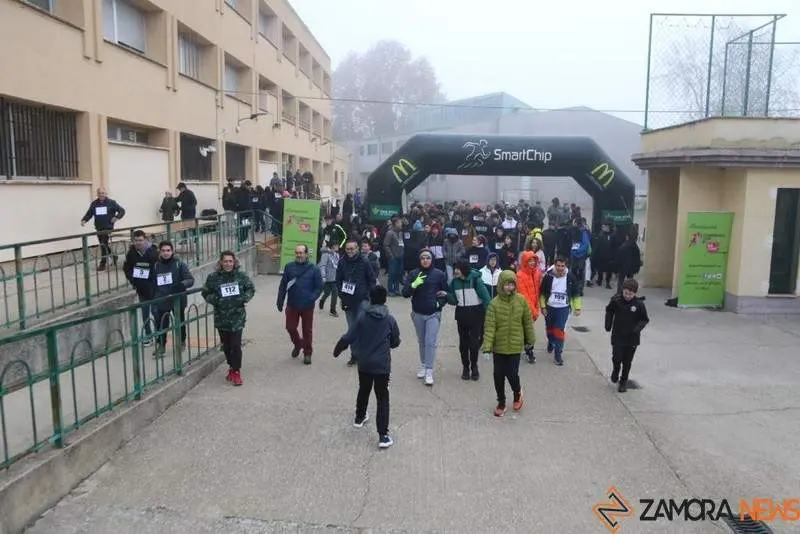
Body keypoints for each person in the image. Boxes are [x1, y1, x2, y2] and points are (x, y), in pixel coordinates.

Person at [333, 285, 400, 449]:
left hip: (365, 363)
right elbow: (395, 342)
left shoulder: (362, 318)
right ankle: (383, 435)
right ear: (385, 299)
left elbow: (349, 336)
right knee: (382, 397)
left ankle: (359, 417)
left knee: (363, 389)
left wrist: (338, 350)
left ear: (370, 299)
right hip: (382, 365)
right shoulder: (389, 319)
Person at [482, 270, 535, 418]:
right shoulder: (494, 304)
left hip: (515, 345)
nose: (509, 287)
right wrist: (487, 347)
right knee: (498, 375)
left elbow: (527, 322)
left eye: (512, 284)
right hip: (499, 347)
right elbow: (490, 327)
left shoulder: (521, 301)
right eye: (506, 284)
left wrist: (530, 340)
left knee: (512, 374)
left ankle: (517, 393)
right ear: (500, 285)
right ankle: (501, 402)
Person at [201, 251, 256, 386]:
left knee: (235, 345)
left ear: (234, 262)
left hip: (237, 317)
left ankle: (236, 371)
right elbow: (205, 293)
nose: (228, 264)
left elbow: (250, 289)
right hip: (221, 317)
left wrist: (244, 298)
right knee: (226, 346)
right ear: (221, 262)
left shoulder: (241, 276)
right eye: (225, 261)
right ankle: (231, 366)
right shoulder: (213, 277)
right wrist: (216, 299)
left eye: (230, 261)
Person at [402, 249, 448, 386]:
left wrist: (439, 303)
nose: (425, 260)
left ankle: (429, 370)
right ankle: (423, 365)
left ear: (432, 259)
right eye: (422, 258)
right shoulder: (414, 273)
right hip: (418, 313)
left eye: (428, 258)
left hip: (433, 313)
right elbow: (405, 293)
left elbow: (446, 293)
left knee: (430, 342)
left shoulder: (439, 274)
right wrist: (413, 285)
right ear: (419, 260)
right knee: (422, 341)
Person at [277, 245, 323, 365]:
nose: (299, 255)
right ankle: (298, 344)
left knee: (307, 330)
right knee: (290, 328)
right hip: (292, 304)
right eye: (297, 253)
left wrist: (312, 298)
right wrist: (280, 300)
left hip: (307, 306)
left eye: (301, 253)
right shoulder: (289, 267)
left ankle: (307, 353)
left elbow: (319, 287)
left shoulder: (314, 269)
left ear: (306, 254)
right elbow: (283, 285)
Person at [446, 260, 491, 381]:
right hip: (462, 315)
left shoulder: (476, 280)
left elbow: (486, 298)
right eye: (455, 268)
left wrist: (490, 314)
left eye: (458, 268)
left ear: (464, 269)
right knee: (463, 344)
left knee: (474, 343)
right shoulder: (454, 282)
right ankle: (465, 367)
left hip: (476, 315)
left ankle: (474, 366)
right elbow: (454, 300)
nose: (456, 271)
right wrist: (446, 295)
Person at [604, 278, 649, 393]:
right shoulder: (616, 300)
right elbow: (609, 310)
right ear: (622, 291)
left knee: (627, 361)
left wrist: (637, 329)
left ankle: (623, 381)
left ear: (635, 293)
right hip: (618, 335)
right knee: (616, 357)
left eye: (631, 294)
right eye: (626, 293)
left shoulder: (639, 304)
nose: (628, 296)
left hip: (631, 338)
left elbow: (644, 319)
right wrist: (608, 324)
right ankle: (615, 370)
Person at [337, 239, 377, 366]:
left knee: (361, 327)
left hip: (362, 300)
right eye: (347, 249)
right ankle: (355, 355)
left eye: (352, 249)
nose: (349, 251)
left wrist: (370, 296)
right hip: (348, 299)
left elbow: (372, 279)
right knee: (352, 329)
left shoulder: (365, 261)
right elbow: (338, 280)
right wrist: (341, 295)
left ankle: (366, 354)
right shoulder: (342, 261)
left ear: (357, 249)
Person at [152, 241, 195, 357]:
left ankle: (181, 341)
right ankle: (161, 345)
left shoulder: (179, 264)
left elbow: (190, 280)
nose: (166, 253)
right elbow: (153, 283)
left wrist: (181, 285)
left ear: (172, 251)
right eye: (163, 251)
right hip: (162, 299)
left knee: (179, 322)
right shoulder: (156, 266)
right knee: (161, 323)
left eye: (168, 250)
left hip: (177, 299)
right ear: (160, 252)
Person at [539, 257, 582, 366]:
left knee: (559, 330)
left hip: (563, 308)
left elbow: (575, 293)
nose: (560, 268)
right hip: (550, 307)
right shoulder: (548, 277)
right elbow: (542, 293)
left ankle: (558, 355)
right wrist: (543, 307)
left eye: (562, 266)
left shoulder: (570, 277)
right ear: (554, 265)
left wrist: (577, 307)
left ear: (565, 266)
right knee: (550, 329)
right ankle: (550, 341)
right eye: (558, 266)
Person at [122, 230, 159, 345]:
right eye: (136, 240)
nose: (138, 243)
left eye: (141, 240)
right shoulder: (131, 253)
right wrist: (133, 280)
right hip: (141, 288)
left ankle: (159, 334)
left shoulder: (154, 252)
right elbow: (127, 268)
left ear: (145, 240)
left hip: (154, 288)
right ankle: (148, 336)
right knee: (145, 313)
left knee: (156, 312)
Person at [80, 187, 126, 271]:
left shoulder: (111, 202)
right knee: (103, 244)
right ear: (97, 194)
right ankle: (113, 256)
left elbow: (122, 211)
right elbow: (89, 213)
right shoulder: (94, 203)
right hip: (99, 227)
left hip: (108, 227)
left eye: (103, 193)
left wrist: (116, 217)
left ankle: (103, 263)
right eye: (99, 193)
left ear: (106, 194)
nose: (101, 195)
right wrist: (84, 220)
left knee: (103, 244)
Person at [516, 250, 543, 363]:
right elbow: (524, 296)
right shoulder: (520, 275)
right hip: (524, 309)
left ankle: (526, 349)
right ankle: (528, 351)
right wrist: (534, 311)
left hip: (534, 308)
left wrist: (537, 307)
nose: (532, 263)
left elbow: (538, 292)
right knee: (527, 331)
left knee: (526, 331)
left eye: (533, 261)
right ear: (524, 262)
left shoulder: (537, 273)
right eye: (529, 261)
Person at [383, 218, 405, 296]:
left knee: (398, 273)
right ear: (396, 223)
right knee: (392, 273)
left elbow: (401, 243)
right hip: (393, 257)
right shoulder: (390, 233)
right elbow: (386, 245)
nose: (401, 224)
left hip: (400, 256)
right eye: (400, 222)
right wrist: (391, 255)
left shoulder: (400, 233)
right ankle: (390, 290)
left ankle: (396, 289)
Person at [318, 241, 340, 317]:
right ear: (332, 246)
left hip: (334, 278)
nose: (338, 246)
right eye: (336, 245)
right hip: (326, 278)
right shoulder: (325, 254)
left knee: (335, 293)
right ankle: (322, 300)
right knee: (327, 292)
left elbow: (338, 266)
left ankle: (332, 310)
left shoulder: (336, 255)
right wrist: (323, 276)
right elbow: (322, 266)